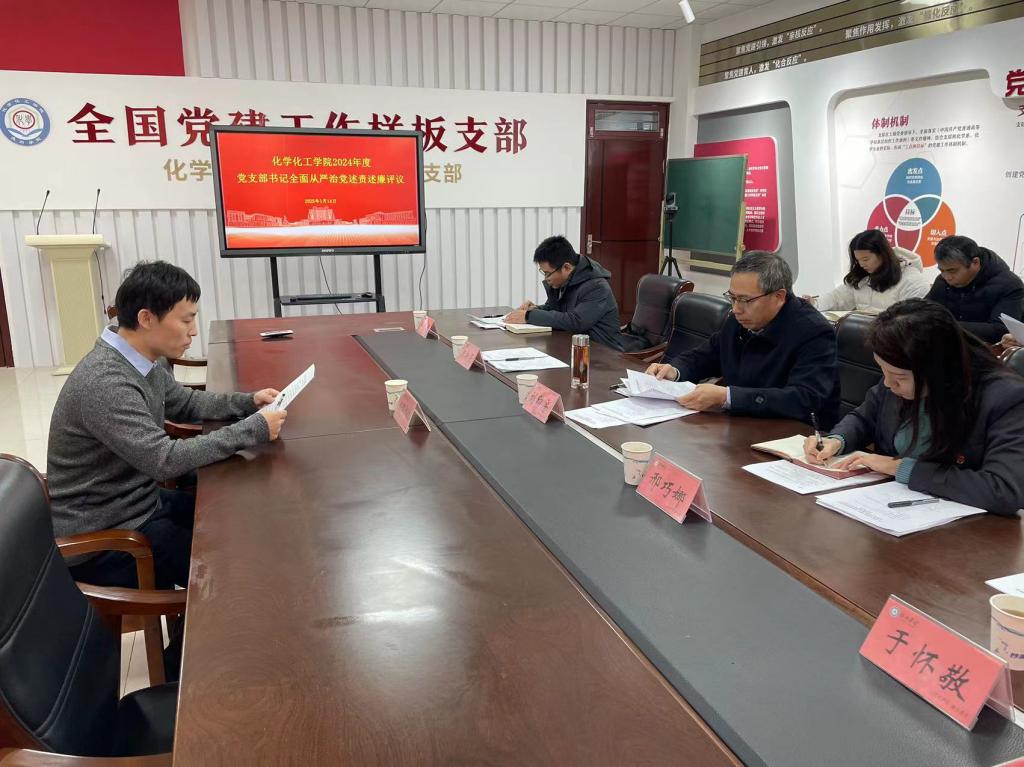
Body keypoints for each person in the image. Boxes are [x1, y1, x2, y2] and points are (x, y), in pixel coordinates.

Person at [48, 261, 287, 591]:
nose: (193, 331)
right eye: (186, 320)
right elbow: (164, 460)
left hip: (140, 504)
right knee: (233, 571)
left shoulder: (141, 358)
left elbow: (185, 403)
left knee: (238, 523)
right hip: (108, 539)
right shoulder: (106, 381)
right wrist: (253, 429)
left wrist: (248, 402)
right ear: (147, 318)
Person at [804, 299, 1024, 516]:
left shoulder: (1005, 398)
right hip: (885, 507)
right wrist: (837, 440)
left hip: (964, 527)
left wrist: (902, 468)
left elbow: (1003, 489)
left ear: (938, 369)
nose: (888, 384)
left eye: (899, 377)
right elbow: (865, 417)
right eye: (883, 371)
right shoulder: (898, 374)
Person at [647, 251, 840, 427]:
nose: (736, 308)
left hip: (793, 436)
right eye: (732, 298)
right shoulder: (739, 320)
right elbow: (707, 355)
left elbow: (804, 399)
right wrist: (675, 370)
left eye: (745, 300)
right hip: (743, 424)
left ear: (779, 297)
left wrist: (727, 397)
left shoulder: (814, 332)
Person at [505, 235, 624, 350]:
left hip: (602, 352)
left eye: (548, 273)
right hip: (570, 346)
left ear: (566, 267)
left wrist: (529, 316)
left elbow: (576, 321)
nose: (546, 278)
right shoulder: (563, 281)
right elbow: (554, 308)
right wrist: (535, 309)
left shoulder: (596, 287)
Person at [926, 235, 1024, 343]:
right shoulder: (942, 281)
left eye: (952, 271)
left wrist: (946, 326)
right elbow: (925, 310)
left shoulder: (1009, 285)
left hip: (987, 350)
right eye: (941, 270)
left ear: (975, 263)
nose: (947, 277)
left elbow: (1001, 331)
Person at [804, 229, 929, 312]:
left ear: (882, 254)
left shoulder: (912, 281)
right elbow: (837, 298)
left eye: (866, 259)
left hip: (893, 340)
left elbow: (911, 320)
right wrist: (815, 303)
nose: (861, 264)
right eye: (858, 260)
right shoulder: (862, 277)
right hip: (862, 337)